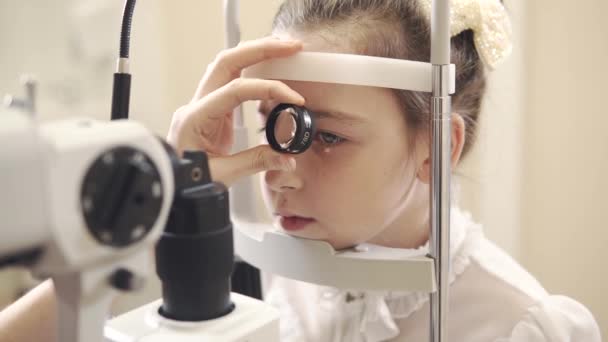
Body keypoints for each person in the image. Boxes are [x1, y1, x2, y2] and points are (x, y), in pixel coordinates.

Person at [0, 0, 601, 341]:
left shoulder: (524, 327)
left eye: (327, 135)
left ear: (436, 148)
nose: (279, 172)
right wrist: (174, 194)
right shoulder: (286, 269)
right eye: (272, 124)